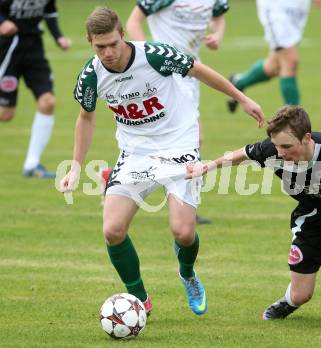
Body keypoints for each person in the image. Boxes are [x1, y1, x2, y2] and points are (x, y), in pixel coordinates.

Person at [61, 7, 264, 317]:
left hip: (179, 145)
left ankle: (188, 273)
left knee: (183, 232)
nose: (108, 52)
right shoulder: (91, 77)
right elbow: (85, 119)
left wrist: (242, 97)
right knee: (112, 229)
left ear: (123, 36)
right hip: (135, 153)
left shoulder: (156, 55)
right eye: (100, 46)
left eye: (113, 44)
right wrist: (75, 165)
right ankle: (138, 298)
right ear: (90, 42)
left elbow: (200, 70)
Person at [186, 105, 321, 320]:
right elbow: (242, 154)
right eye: (276, 146)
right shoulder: (272, 150)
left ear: (306, 138)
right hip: (314, 220)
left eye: (286, 147)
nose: (280, 153)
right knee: (300, 295)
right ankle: (287, 302)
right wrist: (207, 167)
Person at [122, 0, 230, 225]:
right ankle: (186, 207)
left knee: (177, 139)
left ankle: (115, 177)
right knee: (192, 137)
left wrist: (217, 35)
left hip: (190, 72)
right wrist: (150, 59)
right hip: (164, 74)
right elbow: (133, 22)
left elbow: (218, 17)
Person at [0, 0, 71, 178]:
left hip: (34, 49)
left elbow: (49, 11)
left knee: (48, 102)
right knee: (5, 114)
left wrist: (58, 37)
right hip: (7, 47)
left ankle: (32, 165)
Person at [227, 0, 321, 112]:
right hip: (277, 7)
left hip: (297, 6)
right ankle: (294, 120)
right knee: (290, 61)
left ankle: (238, 82)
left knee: (273, 66)